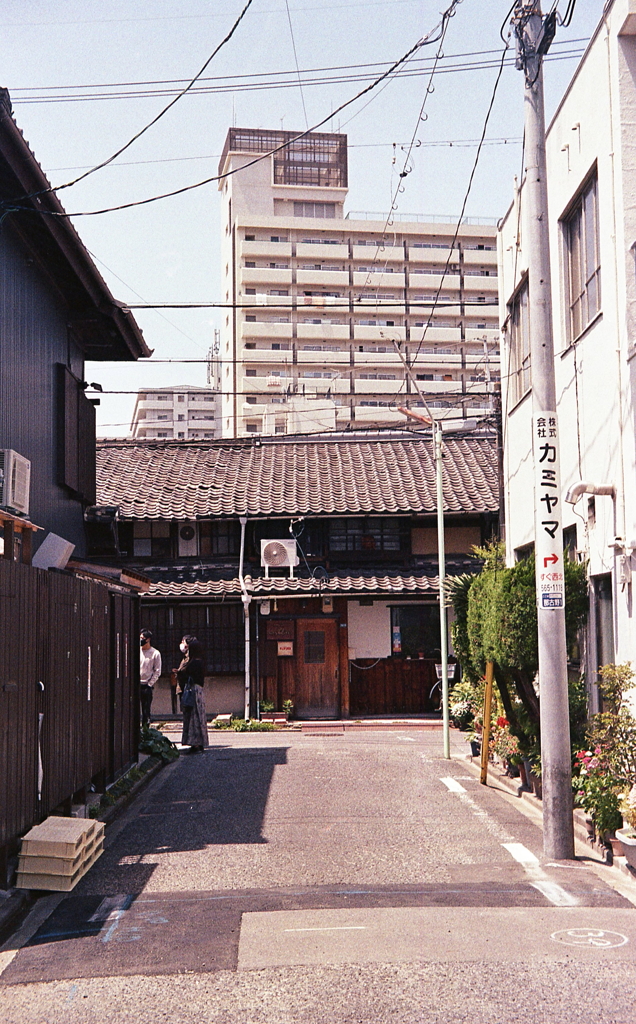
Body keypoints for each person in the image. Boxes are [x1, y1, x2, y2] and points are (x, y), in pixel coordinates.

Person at [175, 635, 209, 752]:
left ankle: (195, 744)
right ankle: (199, 743)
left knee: (193, 718)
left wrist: (178, 673)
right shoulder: (200, 660)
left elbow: (185, 674)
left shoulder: (193, 662)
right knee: (198, 718)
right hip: (197, 691)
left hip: (192, 691)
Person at [140, 629, 161, 728]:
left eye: (142, 638)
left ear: (148, 639)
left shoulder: (155, 653)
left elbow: (157, 671)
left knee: (146, 710)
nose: (141, 640)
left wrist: (150, 684)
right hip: (137, 684)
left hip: (146, 685)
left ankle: (145, 729)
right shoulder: (137, 651)